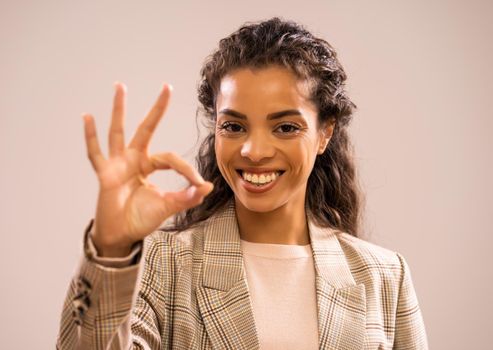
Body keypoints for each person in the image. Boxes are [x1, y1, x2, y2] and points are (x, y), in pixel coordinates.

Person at [56, 18, 428, 349]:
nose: (253, 150)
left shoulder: (383, 276)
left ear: (324, 133)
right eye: (234, 126)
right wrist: (111, 249)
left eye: (285, 127)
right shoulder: (160, 264)